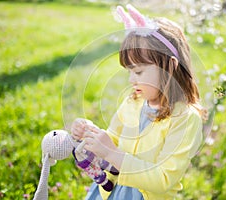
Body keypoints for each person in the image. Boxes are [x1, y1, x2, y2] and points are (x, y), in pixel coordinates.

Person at [71, 4, 204, 200]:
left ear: (169, 66)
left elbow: (164, 178)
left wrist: (112, 153)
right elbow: (113, 139)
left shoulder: (185, 119)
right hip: (113, 191)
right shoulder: (133, 102)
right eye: (129, 71)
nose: (131, 80)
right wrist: (91, 134)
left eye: (139, 71)